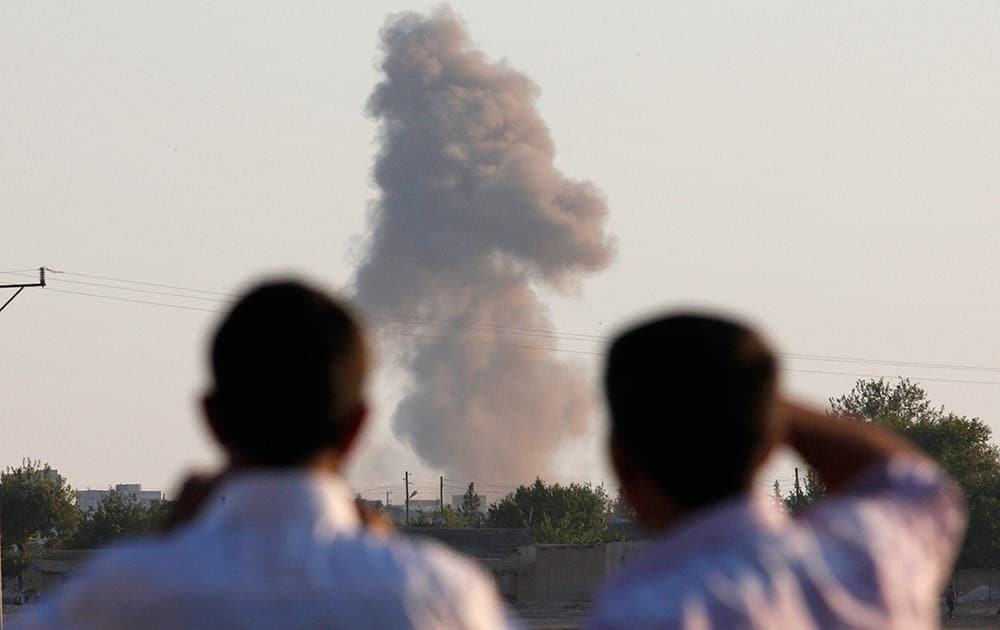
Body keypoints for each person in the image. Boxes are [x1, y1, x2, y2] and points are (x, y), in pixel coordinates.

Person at [15, 280, 515, 629]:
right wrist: (388, 553)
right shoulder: (443, 595)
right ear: (356, 427)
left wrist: (165, 552)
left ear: (211, 419)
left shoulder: (122, 594)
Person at [588, 314, 967, 629]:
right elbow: (909, 481)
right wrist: (746, 398)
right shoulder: (872, 560)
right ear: (771, 445)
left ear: (620, 458)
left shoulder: (642, 612)